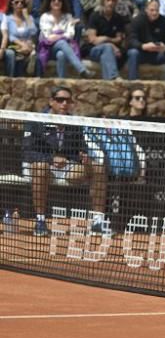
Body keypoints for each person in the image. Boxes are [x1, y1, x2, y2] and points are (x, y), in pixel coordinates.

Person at [22, 86, 108, 237]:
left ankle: (98, 222)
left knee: (98, 168)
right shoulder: (36, 121)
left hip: (68, 167)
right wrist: (51, 159)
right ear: (51, 102)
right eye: (60, 100)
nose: (64, 104)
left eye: (68, 100)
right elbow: (27, 151)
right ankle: (40, 221)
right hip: (41, 167)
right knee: (40, 167)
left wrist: (83, 157)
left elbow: (80, 149)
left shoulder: (73, 122)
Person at [37, 0, 92, 78]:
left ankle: (61, 81)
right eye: (53, 0)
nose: (56, 2)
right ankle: (82, 69)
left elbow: (70, 35)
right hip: (48, 49)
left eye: (59, 0)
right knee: (62, 42)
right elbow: (48, 37)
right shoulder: (45, 17)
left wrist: (58, 36)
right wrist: (63, 36)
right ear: (49, 2)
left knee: (61, 55)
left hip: (64, 48)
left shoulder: (68, 17)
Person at [126, 0, 165, 81]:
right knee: (133, 53)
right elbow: (131, 40)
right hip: (142, 53)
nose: (154, 13)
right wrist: (143, 46)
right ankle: (133, 82)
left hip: (158, 54)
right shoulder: (137, 21)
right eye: (152, 10)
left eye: (157, 10)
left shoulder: (164, 21)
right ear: (146, 10)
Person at [84, 0, 128, 80]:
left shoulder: (118, 18)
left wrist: (105, 39)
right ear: (103, 2)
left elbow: (119, 39)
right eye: (108, 0)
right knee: (107, 48)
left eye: (113, 1)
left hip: (112, 52)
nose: (110, 3)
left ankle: (107, 82)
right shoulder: (95, 16)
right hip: (94, 50)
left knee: (106, 54)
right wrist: (111, 44)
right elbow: (93, 40)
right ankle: (114, 76)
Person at [3, 0, 36, 77]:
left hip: (28, 45)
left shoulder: (29, 18)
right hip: (14, 46)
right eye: (16, 2)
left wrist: (27, 17)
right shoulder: (7, 19)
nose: (19, 4)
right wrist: (22, 45)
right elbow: (11, 36)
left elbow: (33, 32)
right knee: (13, 54)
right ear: (12, 4)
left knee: (34, 56)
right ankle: (11, 79)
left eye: (22, 2)